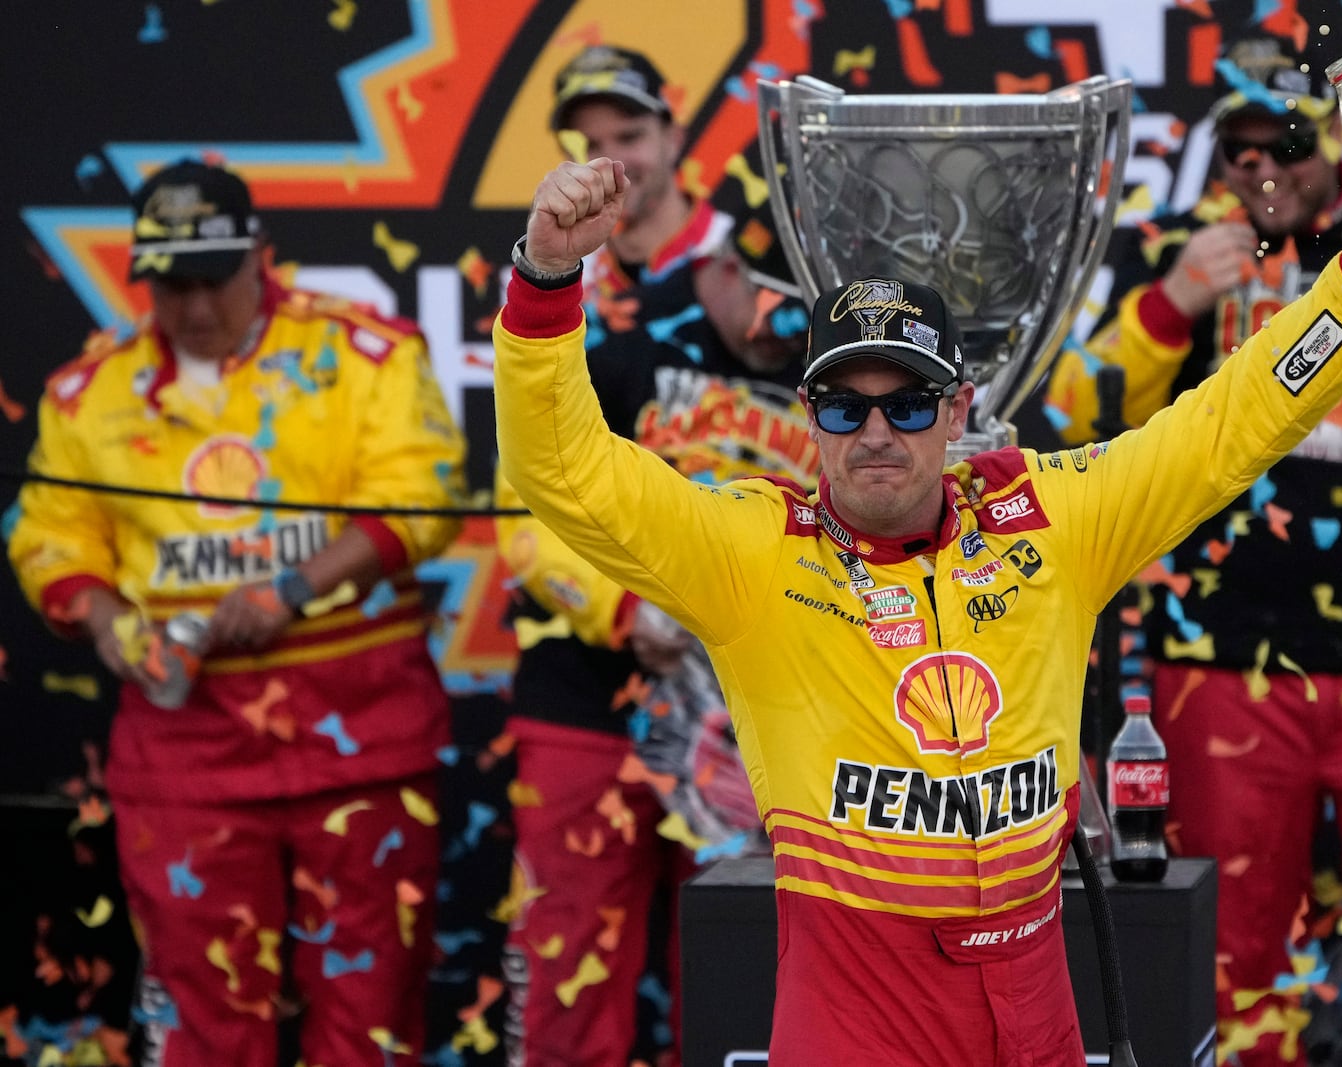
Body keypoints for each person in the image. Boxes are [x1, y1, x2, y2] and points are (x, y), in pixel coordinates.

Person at [490, 104, 1342, 1064]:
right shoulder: (753, 549)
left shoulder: (1053, 515)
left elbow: (1241, 415)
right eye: (845, 405)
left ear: (957, 409)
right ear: (807, 416)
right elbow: (564, 473)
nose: (876, 434)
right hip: (852, 1036)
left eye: (908, 404)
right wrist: (543, 282)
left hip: (1035, 1027)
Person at [1041, 36, 1342, 1064]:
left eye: (1289, 145)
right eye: (1240, 152)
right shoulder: (1170, 255)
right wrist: (1166, 306)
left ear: (1340, 145)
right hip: (1218, 663)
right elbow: (1063, 427)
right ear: (1214, 163)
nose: (1264, 170)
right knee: (1227, 956)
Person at [7, 160, 465, 1066]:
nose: (197, 307)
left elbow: (425, 496)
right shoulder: (85, 395)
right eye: (172, 285)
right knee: (206, 1021)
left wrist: (288, 591)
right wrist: (109, 623)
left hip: (358, 732)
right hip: (187, 748)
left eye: (215, 278)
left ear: (261, 255)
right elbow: (48, 536)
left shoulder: (362, 352)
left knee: (370, 1019)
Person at [492, 170, 813, 1066]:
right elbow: (522, 499)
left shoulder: (840, 369)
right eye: (756, 286)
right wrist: (625, 607)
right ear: (710, 265)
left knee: (740, 990)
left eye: (795, 296)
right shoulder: (625, 335)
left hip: (752, 726)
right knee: (566, 984)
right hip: (589, 709)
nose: (772, 318)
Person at [549, 44, 732, 309]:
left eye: (629, 137)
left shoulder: (736, 258)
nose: (609, 164)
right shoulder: (560, 278)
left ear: (673, 139)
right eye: (590, 145)